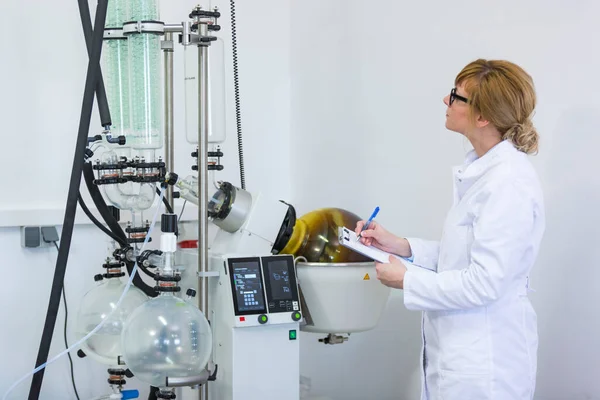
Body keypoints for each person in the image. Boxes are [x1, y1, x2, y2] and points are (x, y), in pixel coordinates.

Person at [355, 59, 545, 400]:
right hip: (464, 356)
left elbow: (484, 282)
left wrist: (406, 279)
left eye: (455, 96)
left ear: (482, 116)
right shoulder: (484, 173)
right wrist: (401, 246)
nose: (446, 101)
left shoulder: (508, 184)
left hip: (487, 365)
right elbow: (464, 257)